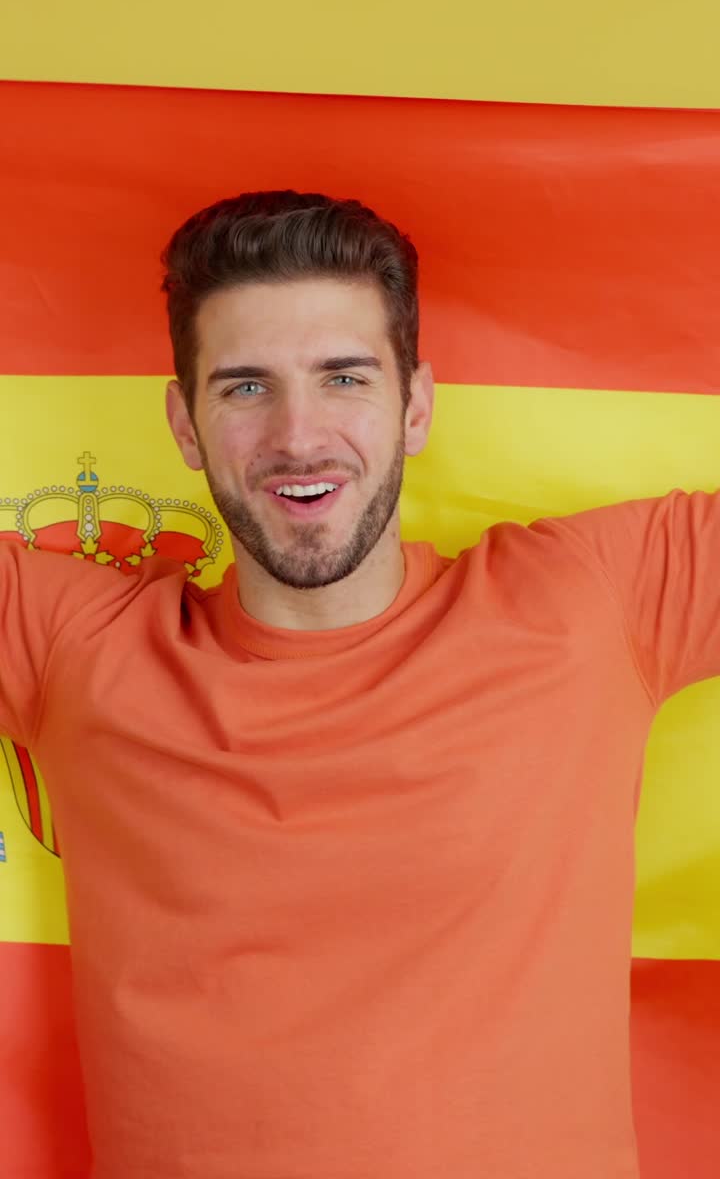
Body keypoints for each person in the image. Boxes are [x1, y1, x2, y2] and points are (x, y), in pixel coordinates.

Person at [1, 189, 718, 1179]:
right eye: (245, 387)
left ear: (416, 405)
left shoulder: (590, 603)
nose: (299, 435)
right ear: (183, 420)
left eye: (344, 377)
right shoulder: (76, 645)